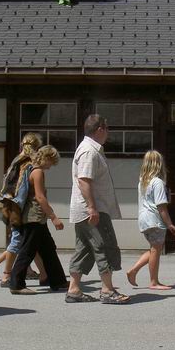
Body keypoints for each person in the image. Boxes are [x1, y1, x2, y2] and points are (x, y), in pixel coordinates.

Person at [65, 114, 130, 304]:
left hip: (85, 210)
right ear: (100, 129)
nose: (108, 133)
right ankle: (107, 290)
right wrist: (92, 208)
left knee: (84, 249)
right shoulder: (89, 151)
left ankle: (74, 290)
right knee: (105, 246)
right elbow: (84, 181)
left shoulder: (90, 149)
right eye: (107, 129)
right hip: (93, 209)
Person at [0, 132, 45, 287]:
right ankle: (6, 275)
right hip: (20, 209)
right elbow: (22, 191)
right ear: (37, 147)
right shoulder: (28, 164)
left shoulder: (16, 161)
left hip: (11, 206)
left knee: (28, 242)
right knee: (18, 241)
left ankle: (40, 273)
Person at [8, 145, 69, 294]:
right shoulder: (38, 172)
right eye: (52, 162)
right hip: (34, 218)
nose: (51, 166)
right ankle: (16, 285)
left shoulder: (30, 169)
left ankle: (58, 281)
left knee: (48, 249)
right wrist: (54, 217)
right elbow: (40, 197)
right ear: (46, 158)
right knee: (27, 251)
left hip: (36, 218)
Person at [126, 150, 175, 290]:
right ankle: (153, 282)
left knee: (154, 249)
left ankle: (134, 271)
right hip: (155, 220)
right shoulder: (158, 182)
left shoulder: (143, 182)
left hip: (144, 219)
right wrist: (169, 224)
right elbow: (161, 206)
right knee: (156, 250)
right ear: (159, 164)